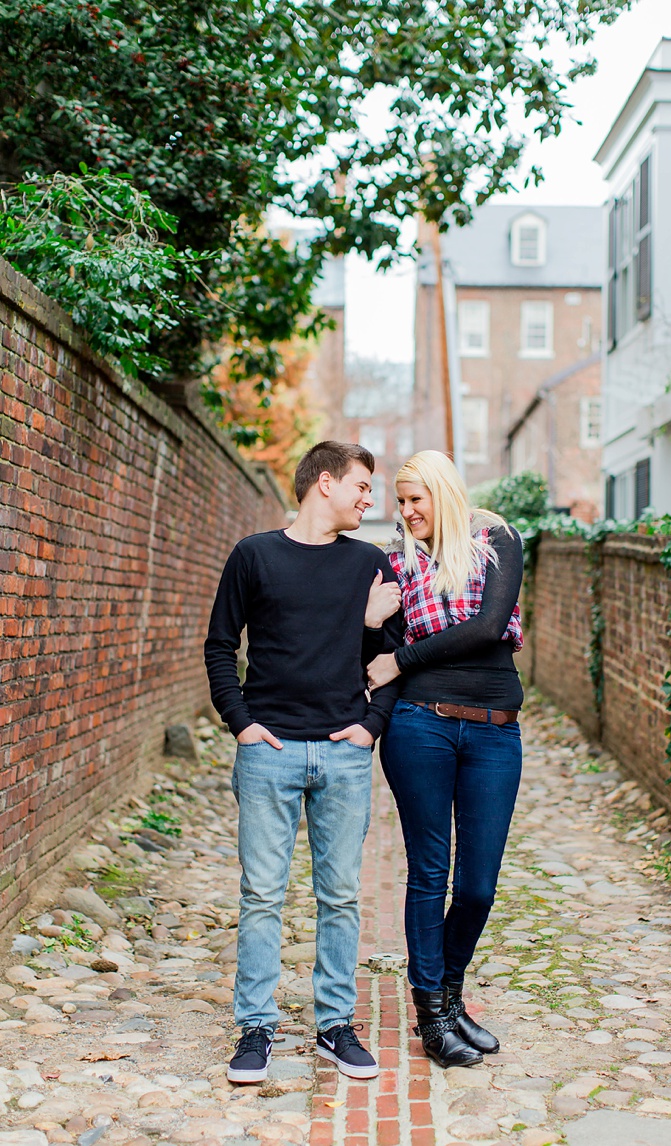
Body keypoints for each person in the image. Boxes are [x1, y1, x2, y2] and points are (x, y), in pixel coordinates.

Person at [204, 441, 405, 1084]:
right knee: (262, 895)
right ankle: (255, 1029)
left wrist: (370, 727)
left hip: (343, 755)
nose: (370, 499)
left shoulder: (370, 564)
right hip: (271, 753)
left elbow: (390, 659)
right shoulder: (254, 556)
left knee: (340, 896)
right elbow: (218, 646)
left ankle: (334, 1025)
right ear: (325, 483)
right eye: (362, 486)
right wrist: (242, 724)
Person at [363, 450, 525, 1068]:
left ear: (443, 492)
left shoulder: (497, 540)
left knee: (479, 884)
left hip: (493, 733)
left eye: (415, 500)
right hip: (419, 729)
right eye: (399, 502)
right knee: (430, 874)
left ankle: (450, 992)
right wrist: (375, 632)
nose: (406, 512)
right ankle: (432, 1013)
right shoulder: (393, 563)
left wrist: (404, 659)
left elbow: (488, 628)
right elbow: (374, 646)